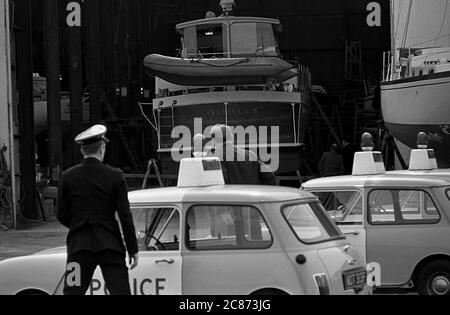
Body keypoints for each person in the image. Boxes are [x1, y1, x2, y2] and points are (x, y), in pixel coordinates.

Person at [57, 124, 139, 295]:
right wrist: (133, 249)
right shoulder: (115, 176)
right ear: (102, 148)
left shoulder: (67, 177)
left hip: (78, 248)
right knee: (120, 292)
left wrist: (78, 224)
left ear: (82, 151)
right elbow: (125, 215)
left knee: (72, 292)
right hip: (110, 246)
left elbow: (61, 213)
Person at [209, 125, 277, 186]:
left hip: (229, 198)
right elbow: (270, 176)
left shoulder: (213, 157)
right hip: (251, 198)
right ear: (231, 137)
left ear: (213, 139)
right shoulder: (250, 154)